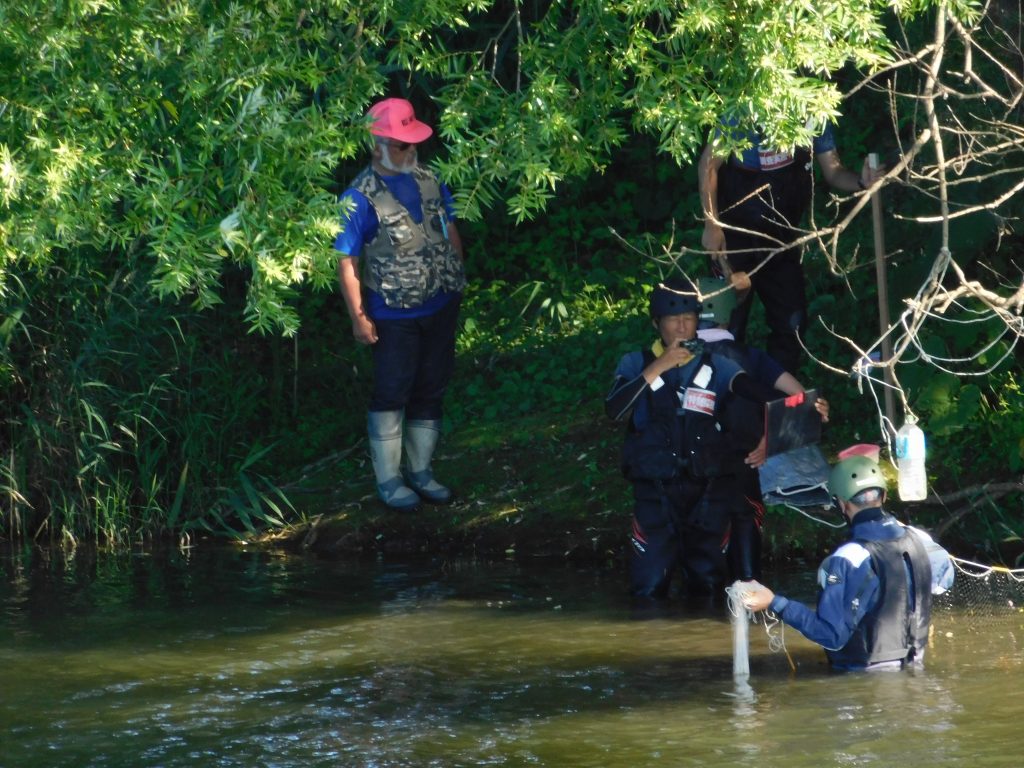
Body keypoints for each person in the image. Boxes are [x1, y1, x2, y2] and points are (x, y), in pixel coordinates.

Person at [605, 277, 783, 599]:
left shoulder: (719, 367)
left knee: (710, 589)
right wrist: (659, 366)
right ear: (657, 323)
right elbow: (614, 408)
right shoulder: (635, 363)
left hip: (708, 498)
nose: (682, 328)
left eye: (689, 319)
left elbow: (770, 398)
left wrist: (774, 433)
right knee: (648, 589)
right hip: (656, 498)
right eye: (674, 320)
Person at [334, 98, 466, 511]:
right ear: (377, 146)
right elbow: (346, 260)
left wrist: (458, 278)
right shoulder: (357, 196)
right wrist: (359, 316)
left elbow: (450, 223)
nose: (411, 151)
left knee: (432, 387)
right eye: (401, 145)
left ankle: (422, 472)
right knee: (392, 390)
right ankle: (390, 481)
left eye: (413, 143)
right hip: (392, 314)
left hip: (440, 304)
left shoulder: (430, 178)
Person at [697, 121, 883, 375]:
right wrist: (712, 225)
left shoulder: (815, 109)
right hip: (733, 237)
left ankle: (779, 403)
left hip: (782, 238)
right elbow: (709, 165)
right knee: (723, 327)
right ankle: (717, 401)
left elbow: (834, 172)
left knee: (792, 325)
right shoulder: (745, 105)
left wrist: (862, 182)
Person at [742, 451, 954, 670]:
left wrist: (774, 602)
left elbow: (831, 636)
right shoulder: (920, 540)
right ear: (883, 496)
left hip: (864, 679)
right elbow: (944, 581)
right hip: (914, 666)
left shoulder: (847, 558)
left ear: (842, 504)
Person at [694, 277, 829, 583]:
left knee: (698, 558)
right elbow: (802, 401)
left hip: (690, 469)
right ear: (730, 313)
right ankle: (748, 594)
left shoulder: (671, 356)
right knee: (745, 533)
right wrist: (770, 440)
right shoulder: (749, 356)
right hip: (746, 461)